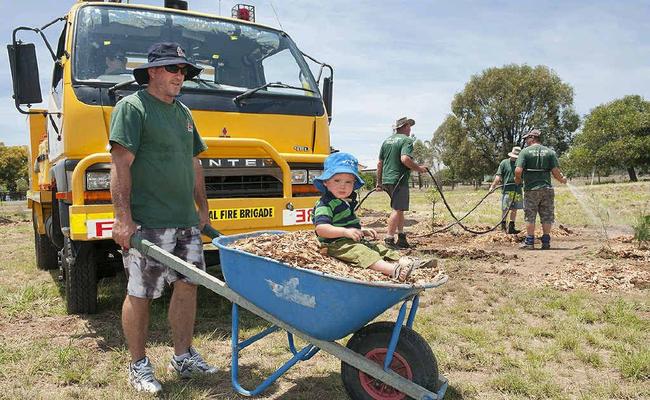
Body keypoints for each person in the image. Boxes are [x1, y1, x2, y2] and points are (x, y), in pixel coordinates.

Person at [109, 42, 215, 394]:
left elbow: (194, 162)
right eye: (173, 69)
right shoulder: (133, 107)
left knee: (187, 286)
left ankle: (183, 356)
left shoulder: (184, 113)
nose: (180, 76)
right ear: (153, 71)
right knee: (141, 292)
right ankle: (138, 365)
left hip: (185, 220)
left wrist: (202, 209)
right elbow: (120, 163)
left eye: (183, 70)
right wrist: (123, 218)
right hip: (148, 220)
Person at [313, 152, 432, 281]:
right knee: (363, 253)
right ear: (325, 182)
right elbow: (321, 229)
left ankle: (406, 262)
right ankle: (393, 270)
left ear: (353, 184)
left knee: (377, 248)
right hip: (335, 244)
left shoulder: (343, 202)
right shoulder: (324, 204)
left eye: (348, 182)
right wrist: (345, 232)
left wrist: (361, 230)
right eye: (337, 180)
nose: (343, 185)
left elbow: (346, 224)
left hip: (349, 240)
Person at [376, 116, 428, 249]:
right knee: (397, 209)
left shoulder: (386, 141)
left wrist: (379, 182)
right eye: (409, 126)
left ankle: (402, 237)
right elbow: (405, 159)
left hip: (387, 180)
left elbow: (380, 163)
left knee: (399, 209)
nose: (410, 129)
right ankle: (389, 239)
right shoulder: (407, 140)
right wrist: (419, 169)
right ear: (404, 127)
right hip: (399, 180)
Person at [514, 129, 568, 250]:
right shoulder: (550, 152)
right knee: (547, 215)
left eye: (527, 139)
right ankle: (546, 242)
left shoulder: (524, 152)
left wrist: (518, 180)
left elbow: (518, 171)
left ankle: (530, 242)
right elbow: (555, 172)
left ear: (532, 138)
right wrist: (562, 180)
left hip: (531, 189)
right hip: (547, 189)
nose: (526, 141)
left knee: (530, 215)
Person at [490, 146, 523, 234]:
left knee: (514, 209)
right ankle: (503, 227)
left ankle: (511, 227)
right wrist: (493, 186)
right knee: (505, 209)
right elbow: (498, 176)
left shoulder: (521, 164)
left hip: (518, 190)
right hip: (507, 190)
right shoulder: (504, 163)